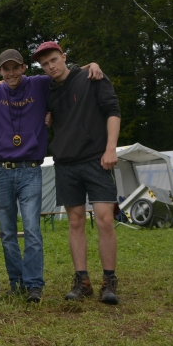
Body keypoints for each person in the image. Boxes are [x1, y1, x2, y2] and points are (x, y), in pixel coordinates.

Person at [0, 50, 102, 304]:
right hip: (2, 170)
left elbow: (67, 73)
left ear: (24, 67)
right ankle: (16, 283)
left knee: (32, 230)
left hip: (30, 169)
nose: (11, 73)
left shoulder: (39, 83)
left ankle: (34, 285)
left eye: (16, 67)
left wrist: (94, 64)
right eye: (6, 69)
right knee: (7, 233)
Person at [33, 41, 121, 304]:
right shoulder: (48, 90)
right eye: (45, 64)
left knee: (105, 219)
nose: (50, 66)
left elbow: (112, 110)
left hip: (97, 159)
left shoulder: (92, 77)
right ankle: (82, 281)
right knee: (75, 222)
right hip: (65, 163)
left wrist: (111, 148)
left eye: (53, 60)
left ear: (63, 57)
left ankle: (109, 281)